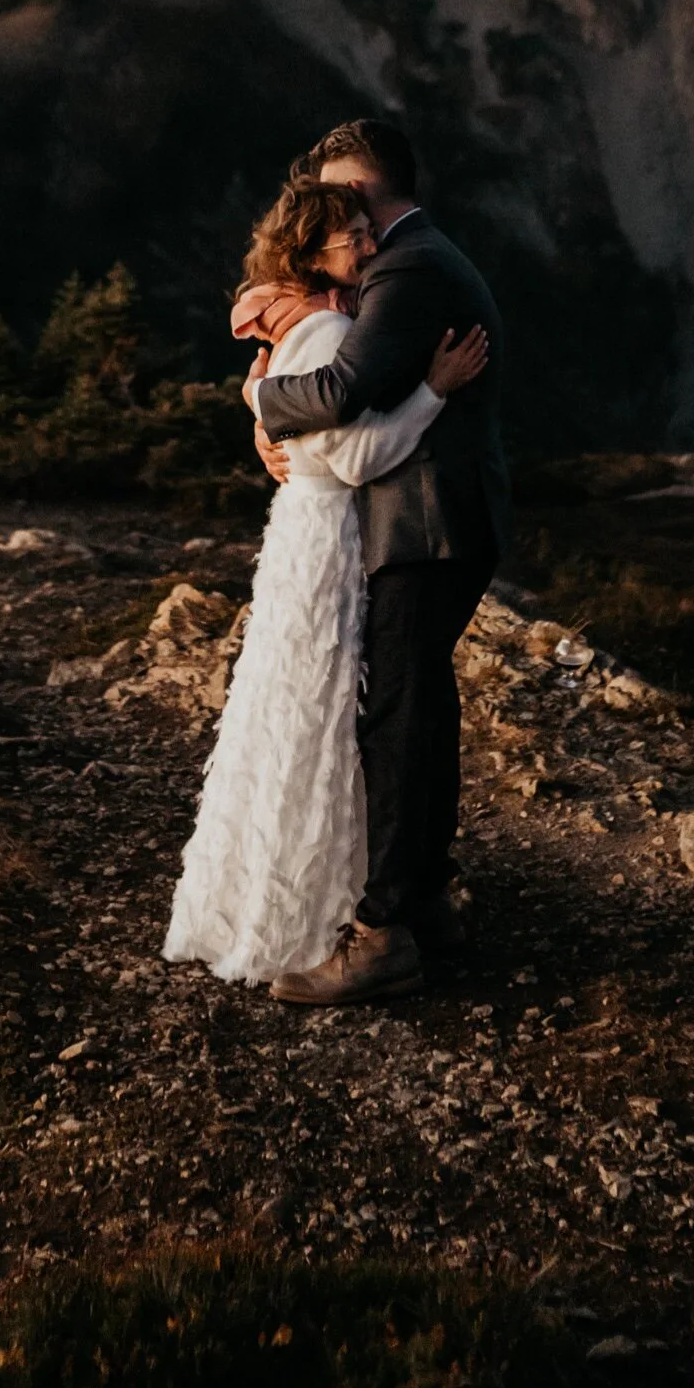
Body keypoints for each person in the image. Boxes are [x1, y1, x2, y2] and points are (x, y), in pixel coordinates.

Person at [162, 179, 488, 990]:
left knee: (302, 713)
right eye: (350, 235)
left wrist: (262, 408)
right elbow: (352, 457)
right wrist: (432, 393)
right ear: (310, 252)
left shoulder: (298, 323)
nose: (366, 244)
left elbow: (305, 426)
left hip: (304, 535)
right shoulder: (330, 325)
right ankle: (319, 907)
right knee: (322, 711)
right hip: (326, 539)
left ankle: (296, 894)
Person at [250, 118, 509, 1005]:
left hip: (423, 523)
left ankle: (384, 931)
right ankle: (428, 902)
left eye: (339, 188)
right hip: (444, 519)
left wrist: (253, 396)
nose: (337, 208)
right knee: (422, 702)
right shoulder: (424, 253)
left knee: (395, 717)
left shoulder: (405, 266)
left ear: (364, 182)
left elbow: (339, 391)